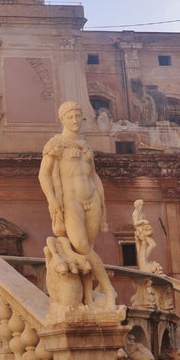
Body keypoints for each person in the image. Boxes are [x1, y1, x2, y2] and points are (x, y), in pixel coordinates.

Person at [39, 101, 118, 308]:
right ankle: (108, 288)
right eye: (70, 117)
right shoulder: (56, 143)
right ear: (62, 119)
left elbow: (94, 176)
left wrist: (103, 203)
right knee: (81, 246)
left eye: (77, 117)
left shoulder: (85, 145)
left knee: (85, 251)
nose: (74, 121)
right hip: (71, 201)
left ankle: (87, 297)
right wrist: (52, 200)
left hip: (92, 200)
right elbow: (43, 175)